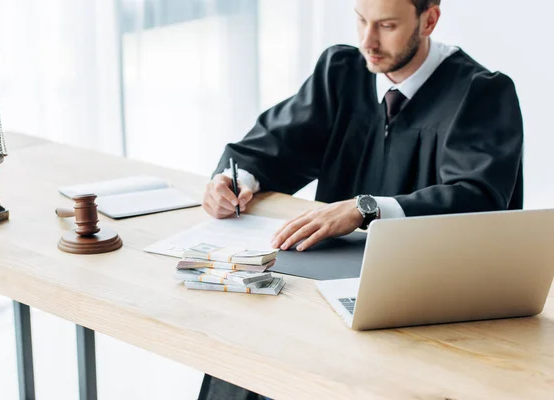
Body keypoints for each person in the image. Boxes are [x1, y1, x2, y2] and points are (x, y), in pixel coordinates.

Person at [199, 0, 523, 398]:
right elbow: (277, 143)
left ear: (430, 20)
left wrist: (365, 209)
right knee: (243, 352)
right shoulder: (342, 71)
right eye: (361, 20)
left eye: (386, 25)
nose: (368, 41)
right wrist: (235, 181)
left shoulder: (480, 92)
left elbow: (478, 198)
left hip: (419, 299)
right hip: (323, 284)